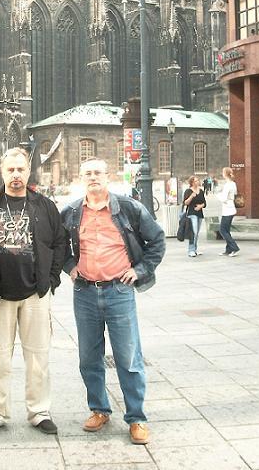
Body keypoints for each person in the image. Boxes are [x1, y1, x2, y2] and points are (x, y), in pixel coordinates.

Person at [61, 158, 165, 445]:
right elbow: (56, 243)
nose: (93, 177)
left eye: (98, 172)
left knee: (128, 357)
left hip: (119, 291)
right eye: (88, 173)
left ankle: (136, 418)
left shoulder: (129, 208)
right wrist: (69, 265)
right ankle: (99, 409)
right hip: (84, 292)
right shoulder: (71, 212)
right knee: (88, 357)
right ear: (81, 178)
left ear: (108, 176)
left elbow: (157, 240)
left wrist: (140, 270)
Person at [0, 147, 66, 436]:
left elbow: (60, 242)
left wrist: (51, 279)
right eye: (11, 170)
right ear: (2, 172)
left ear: (28, 171)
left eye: (21, 169)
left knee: (38, 357)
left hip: (35, 294)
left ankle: (39, 411)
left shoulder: (44, 206)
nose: (16, 174)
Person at [217, 167, 240, 257]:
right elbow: (235, 194)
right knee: (226, 230)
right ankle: (228, 249)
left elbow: (223, 198)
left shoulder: (227, 185)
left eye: (223, 172)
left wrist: (218, 195)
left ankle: (234, 247)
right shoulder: (233, 184)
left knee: (222, 230)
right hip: (231, 208)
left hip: (227, 210)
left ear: (225, 174)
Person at [182, 176, 206, 258]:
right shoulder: (188, 191)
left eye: (198, 180)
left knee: (197, 233)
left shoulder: (201, 191)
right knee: (194, 232)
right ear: (192, 182)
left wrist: (200, 206)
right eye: (196, 181)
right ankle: (191, 250)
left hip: (199, 213)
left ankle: (195, 249)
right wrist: (191, 196)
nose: (198, 182)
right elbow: (185, 203)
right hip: (191, 213)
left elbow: (204, 203)